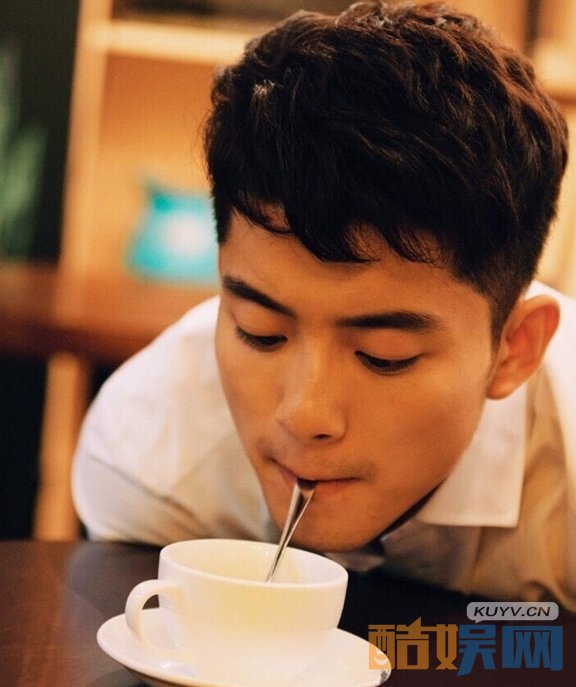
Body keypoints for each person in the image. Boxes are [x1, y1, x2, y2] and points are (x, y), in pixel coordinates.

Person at [72, 1, 576, 608]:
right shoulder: (152, 460)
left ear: (515, 348)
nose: (304, 414)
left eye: (383, 356)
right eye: (260, 332)